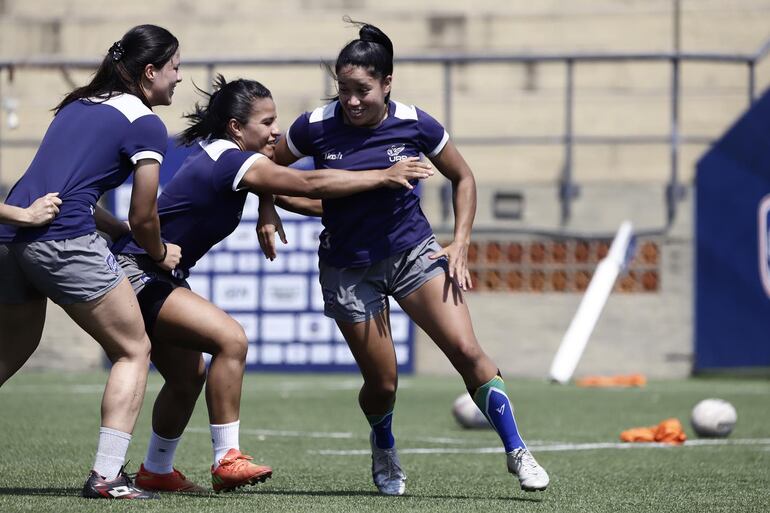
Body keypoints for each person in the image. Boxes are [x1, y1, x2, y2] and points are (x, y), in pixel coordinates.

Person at [99, 74, 434, 493]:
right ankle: (227, 458)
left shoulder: (227, 155)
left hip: (155, 273)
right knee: (231, 340)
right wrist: (384, 175)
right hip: (139, 272)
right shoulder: (230, 160)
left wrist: (267, 204)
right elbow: (308, 183)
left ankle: (156, 470)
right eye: (267, 122)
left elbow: (278, 182)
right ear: (237, 128)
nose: (277, 130)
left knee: (187, 376)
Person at [259, 20, 550, 496]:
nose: (351, 101)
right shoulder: (314, 126)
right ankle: (384, 443)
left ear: (387, 83)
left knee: (466, 351)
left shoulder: (416, 122)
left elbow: (465, 177)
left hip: (412, 254)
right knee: (384, 383)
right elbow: (266, 167)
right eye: (343, 89)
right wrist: (268, 210)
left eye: (363, 90)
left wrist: (461, 241)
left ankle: (517, 451)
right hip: (349, 267)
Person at [0, 24, 182, 500]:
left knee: (7, 355)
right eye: (175, 67)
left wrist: (113, 227)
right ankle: (107, 477)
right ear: (150, 71)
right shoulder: (145, 123)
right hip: (61, 243)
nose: (179, 78)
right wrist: (160, 252)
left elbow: (64, 185)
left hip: (11, 239)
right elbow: (146, 216)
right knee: (133, 350)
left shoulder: (79, 103)